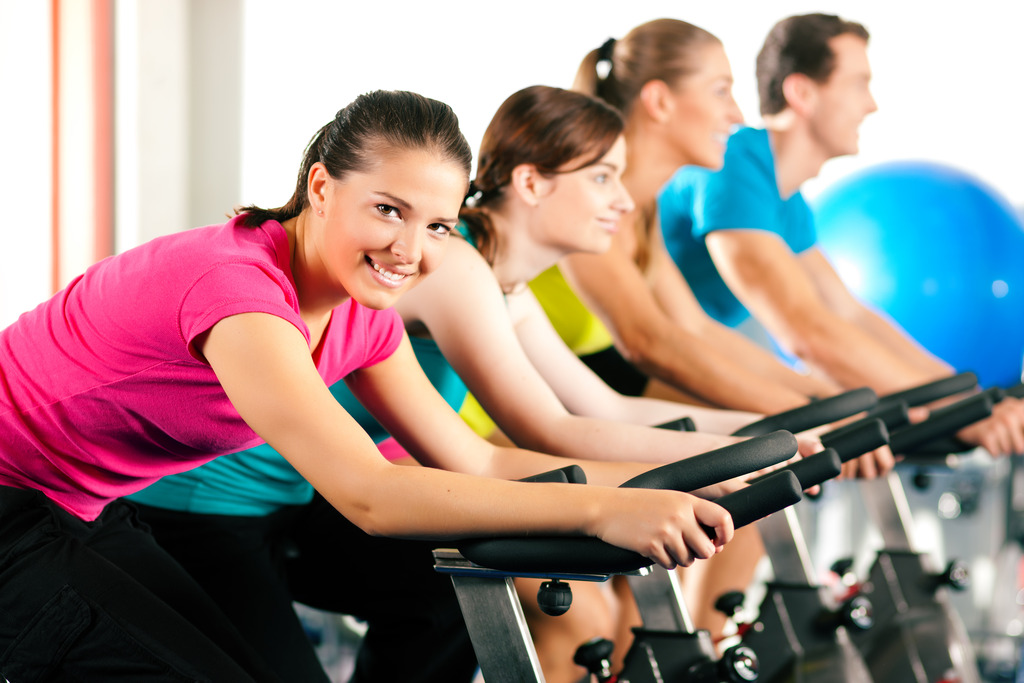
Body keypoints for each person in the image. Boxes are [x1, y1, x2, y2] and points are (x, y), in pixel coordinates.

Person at [0, 90, 739, 683]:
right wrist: (601, 509)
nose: (409, 250)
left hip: (84, 506)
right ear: (321, 187)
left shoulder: (363, 315)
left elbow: (475, 459)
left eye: (439, 226)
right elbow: (369, 493)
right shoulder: (239, 292)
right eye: (388, 209)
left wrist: (674, 485)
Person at [658, 13, 1024, 456]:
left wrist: (972, 398)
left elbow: (849, 314)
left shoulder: (786, 201)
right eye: (857, 83)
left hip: (693, 375)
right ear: (803, 93)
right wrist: (954, 411)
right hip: (639, 380)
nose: (870, 104)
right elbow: (806, 333)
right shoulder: (733, 165)